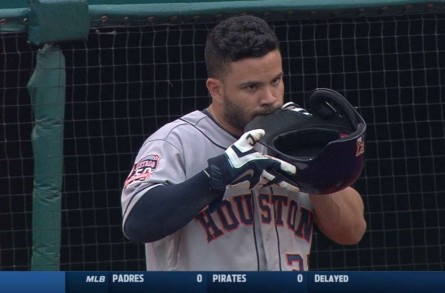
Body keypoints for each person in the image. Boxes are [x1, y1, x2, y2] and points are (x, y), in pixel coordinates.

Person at [121, 14, 366, 271]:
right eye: (252, 87)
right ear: (215, 89)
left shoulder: (294, 136)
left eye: (276, 80)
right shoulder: (177, 141)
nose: (270, 98)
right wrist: (216, 176)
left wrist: (316, 171)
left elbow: (353, 231)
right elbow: (138, 222)